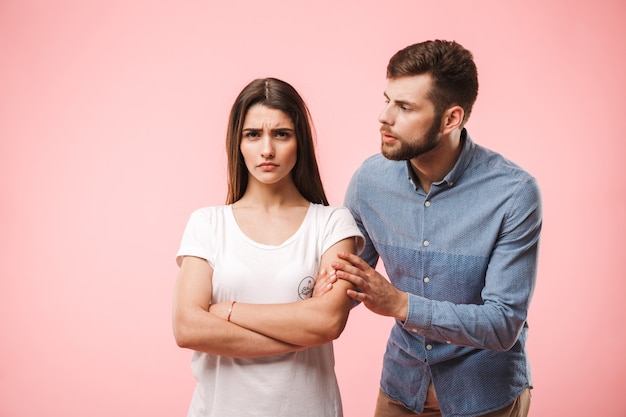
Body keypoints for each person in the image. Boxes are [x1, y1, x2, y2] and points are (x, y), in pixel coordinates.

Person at [330, 40, 542, 417]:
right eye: (387, 99)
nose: (384, 116)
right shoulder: (369, 182)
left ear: (451, 119)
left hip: (485, 394)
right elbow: (342, 281)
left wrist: (400, 303)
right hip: (402, 387)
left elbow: (504, 323)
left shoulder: (513, 193)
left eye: (405, 107)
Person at [172, 77, 364, 417]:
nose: (266, 150)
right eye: (253, 134)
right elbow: (187, 327)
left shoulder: (332, 224)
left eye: (281, 134)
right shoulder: (208, 224)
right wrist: (302, 328)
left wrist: (226, 311)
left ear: (299, 141)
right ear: (238, 142)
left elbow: (328, 323)